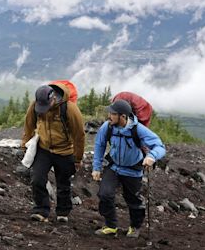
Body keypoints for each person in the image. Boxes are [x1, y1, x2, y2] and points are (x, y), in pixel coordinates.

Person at [92, 99, 165, 238]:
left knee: (133, 200)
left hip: (133, 170)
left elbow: (159, 146)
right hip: (113, 167)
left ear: (123, 116)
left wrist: (152, 156)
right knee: (104, 194)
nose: (109, 116)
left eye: (112, 114)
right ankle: (110, 226)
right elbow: (99, 145)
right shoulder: (107, 127)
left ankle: (135, 227)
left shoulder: (138, 130)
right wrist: (96, 167)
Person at [22, 83, 85, 223]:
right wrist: (24, 145)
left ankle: (63, 212)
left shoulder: (69, 109)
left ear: (53, 99)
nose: (43, 109)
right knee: (37, 179)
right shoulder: (35, 106)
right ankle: (41, 210)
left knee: (63, 183)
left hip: (64, 151)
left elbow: (79, 135)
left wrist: (77, 158)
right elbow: (28, 126)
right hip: (43, 149)